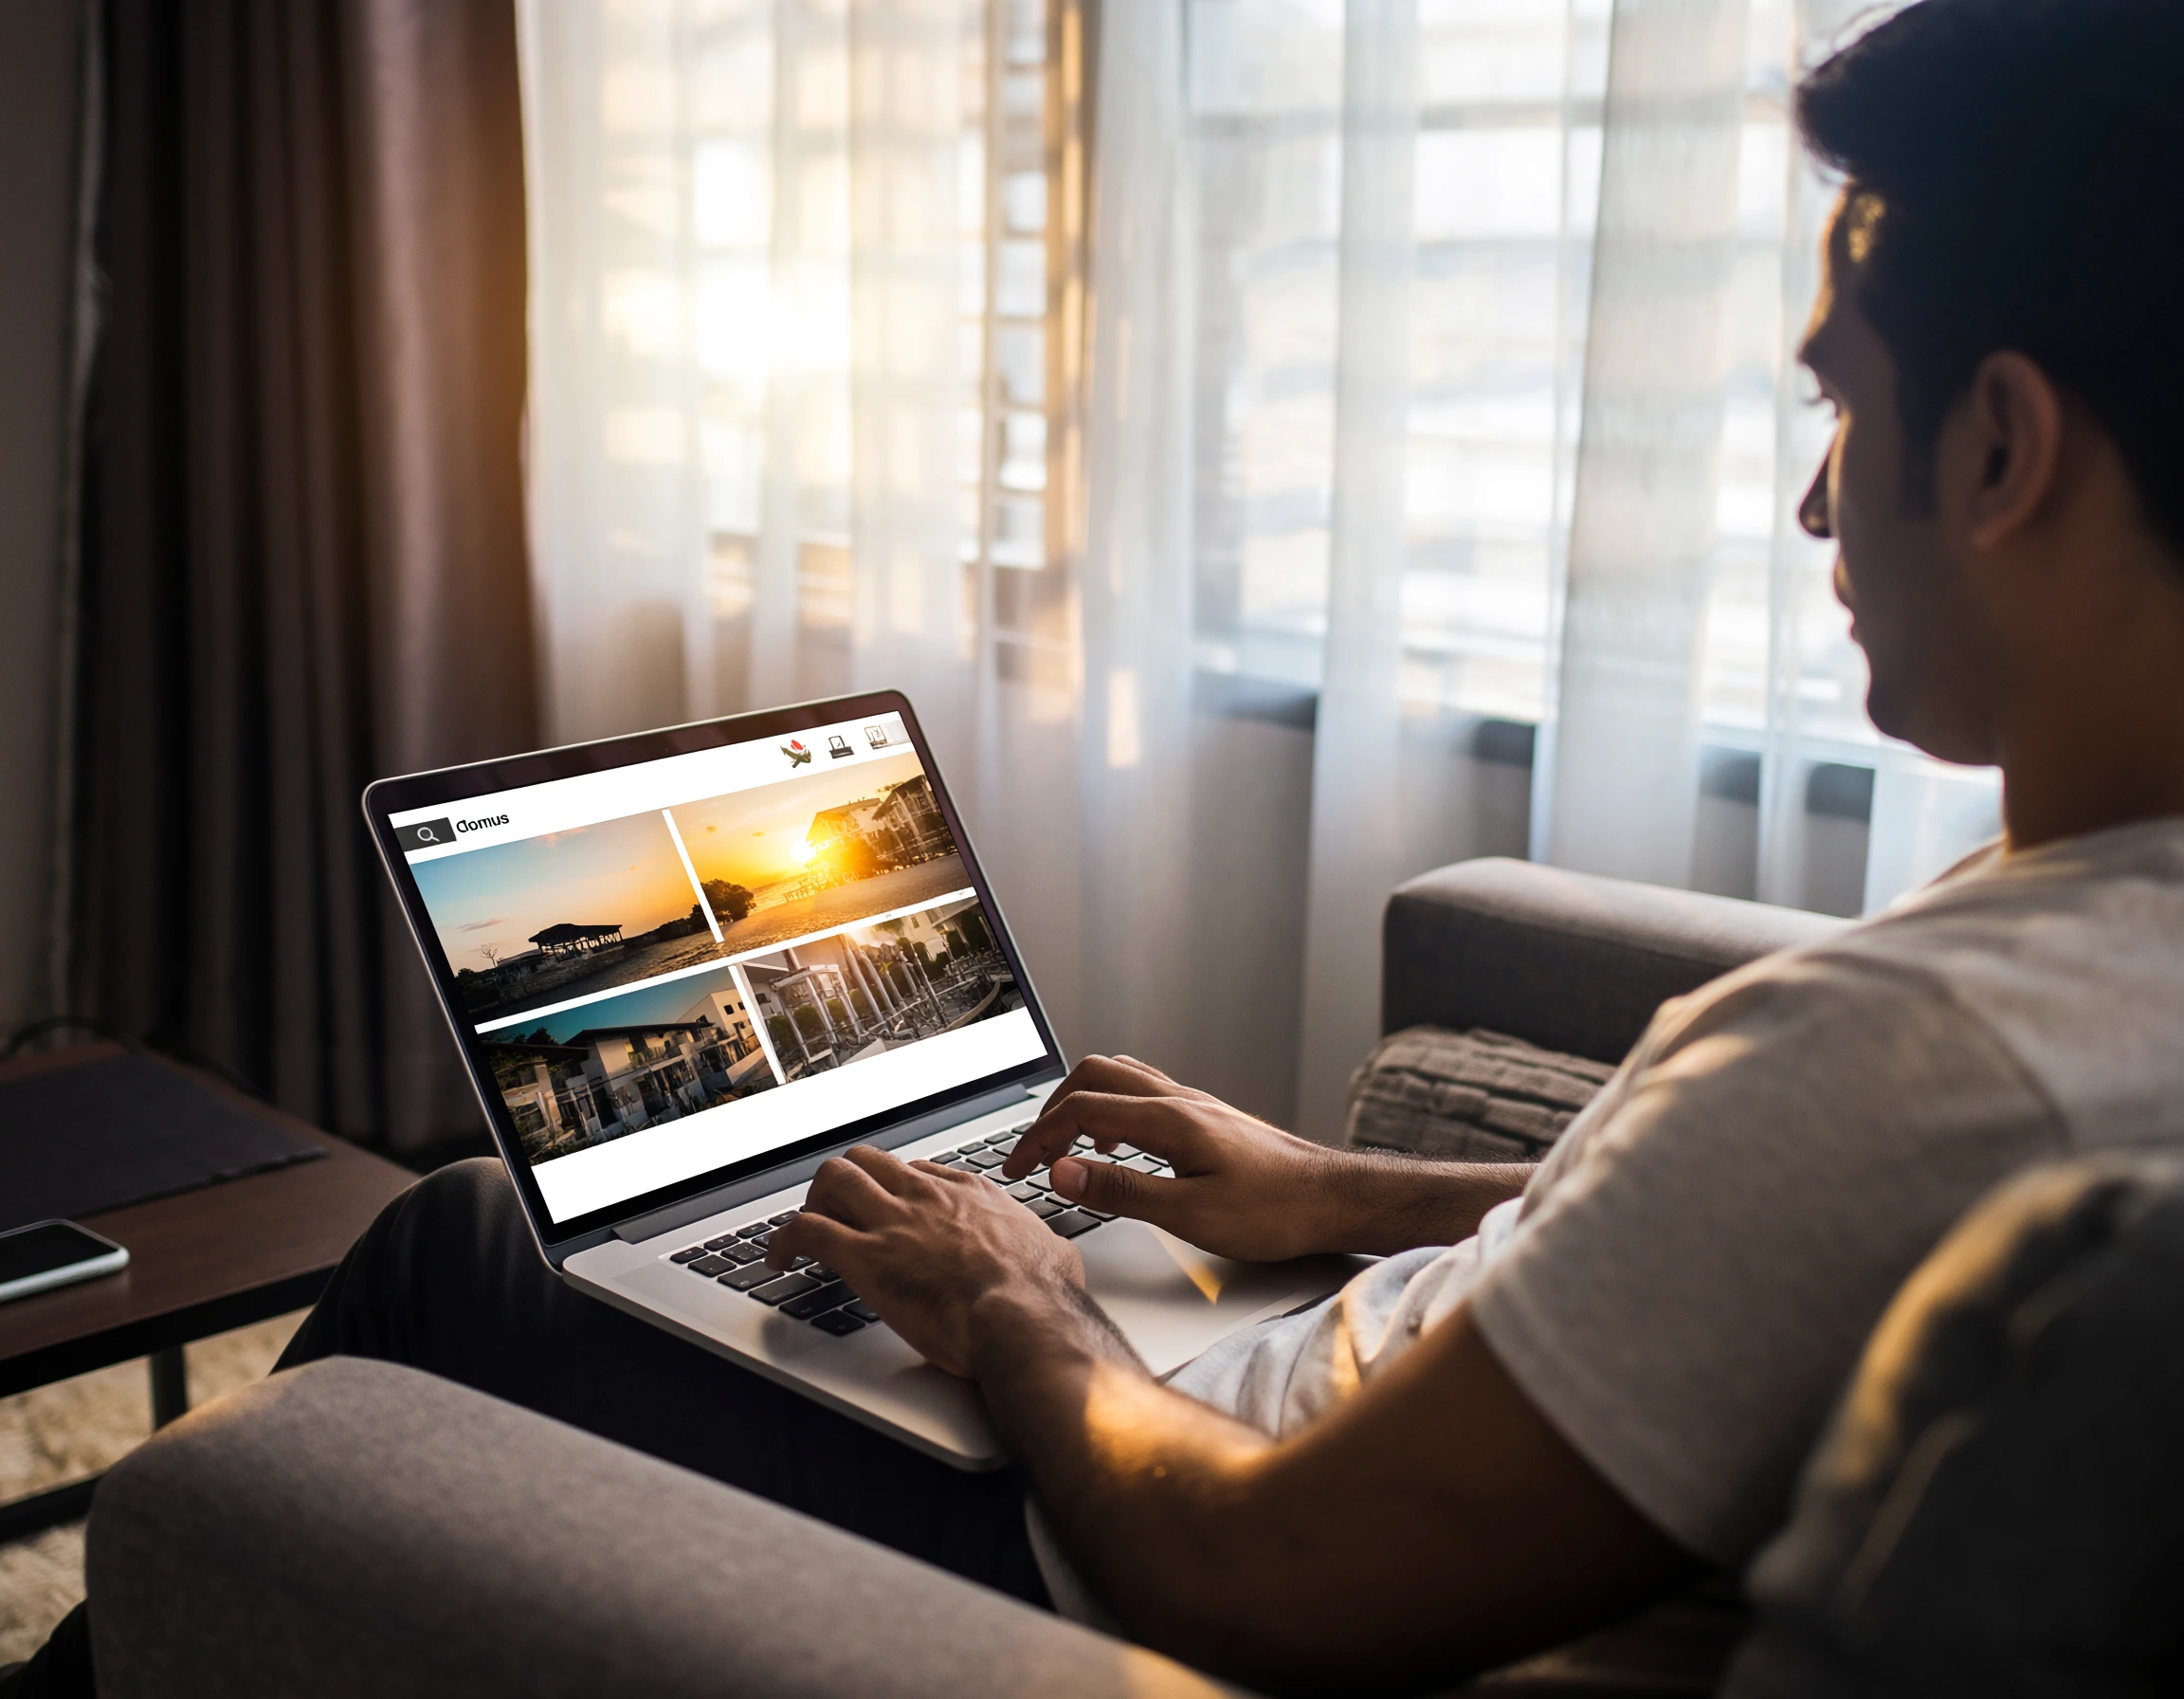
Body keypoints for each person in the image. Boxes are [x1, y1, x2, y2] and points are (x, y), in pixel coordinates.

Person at [11, 0, 2184, 1691]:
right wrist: (1340, 1187)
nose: (1817, 505)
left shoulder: (1919, 1058)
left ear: (1998, 442)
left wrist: (1026, 1307)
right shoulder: (2098, 967)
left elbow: (1273, 1575)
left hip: (1135, 1511)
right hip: (1328, 1354)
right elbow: (1771, 1248)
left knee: (464, 1237)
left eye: (1840, 405)